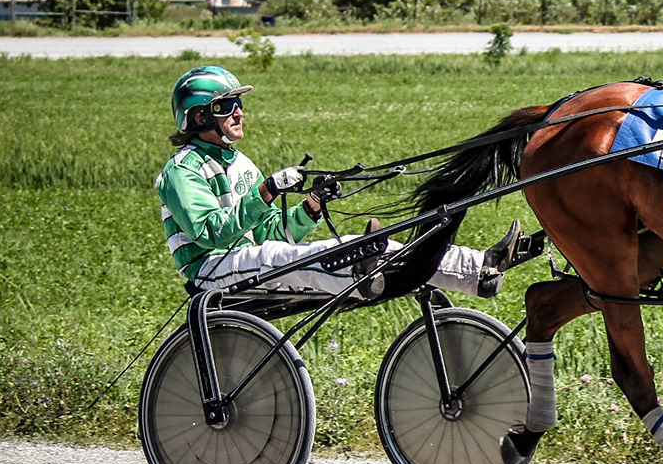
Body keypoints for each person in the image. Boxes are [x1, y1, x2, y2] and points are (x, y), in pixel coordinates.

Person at [157, 65, 525, 300]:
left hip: (246, 261)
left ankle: (478, 269)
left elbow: (272, 231)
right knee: (291, 257)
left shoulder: (239, 163)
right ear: (199, 116)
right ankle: (363, 273)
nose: (238, 111)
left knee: (355, 244)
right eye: (226, 106)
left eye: (237, 102)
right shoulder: (181, 171)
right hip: (211, 272)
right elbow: (211, 234)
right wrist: (267, 191)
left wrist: (311, 205)